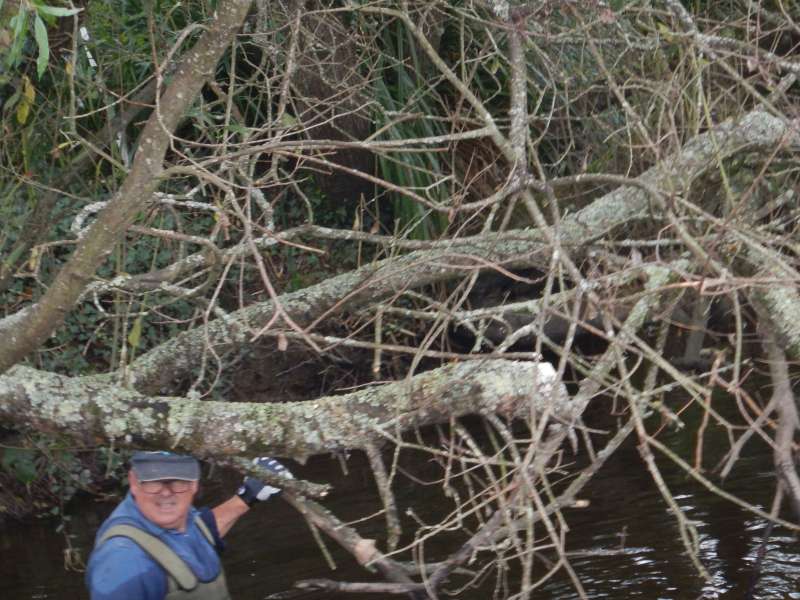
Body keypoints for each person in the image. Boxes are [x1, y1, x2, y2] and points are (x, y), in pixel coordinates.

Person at [86, 450, 292, 600]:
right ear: (133, 481)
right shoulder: (123, 563)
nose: (166, 492)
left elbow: (199, 532)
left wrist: (248, 495)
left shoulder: (174, 517)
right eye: (154, 480)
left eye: (177, 480)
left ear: (194, 484)